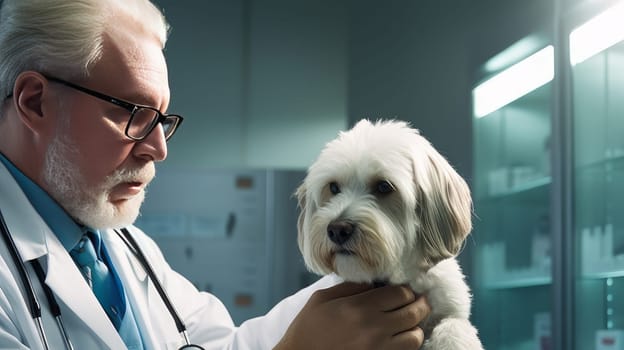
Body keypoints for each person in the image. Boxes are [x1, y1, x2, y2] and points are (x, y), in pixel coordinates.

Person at [0, 0, 430, 349]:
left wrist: (346, 302)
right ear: (35, 102)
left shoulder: (125, 247)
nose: (159, 148)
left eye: (163, 120)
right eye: (133, 113)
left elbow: (224, 348)